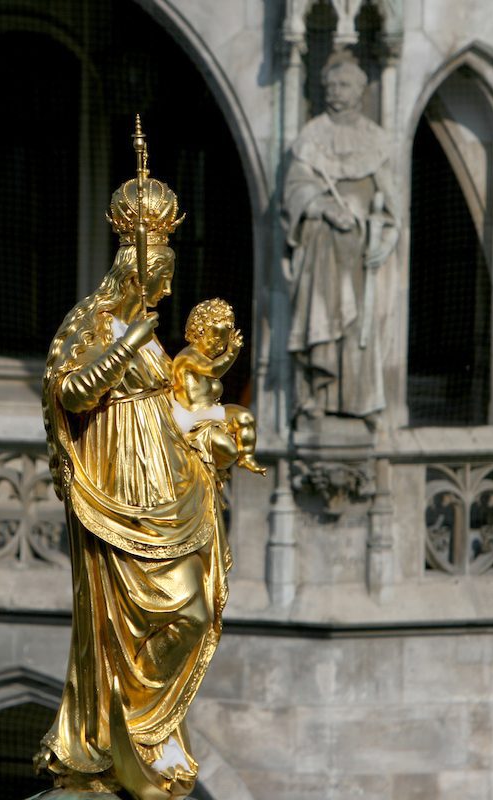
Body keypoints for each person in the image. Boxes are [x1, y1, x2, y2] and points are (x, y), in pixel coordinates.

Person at [37, 155, 234, 799]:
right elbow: (69, 391)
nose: (170, 291)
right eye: (164, 275)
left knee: (195, 609)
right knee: (133, 618)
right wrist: (127, 341)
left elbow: (169, 404)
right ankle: (114, 733)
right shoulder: (95, 322)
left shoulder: (149, 334)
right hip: (117, 488)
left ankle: (147, 727)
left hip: (162, 485)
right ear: (140, 270)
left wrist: (209, 435)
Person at [282, 50, 398, 428]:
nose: (336, 92)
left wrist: (382, 232)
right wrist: (322, 207)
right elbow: (295, 190)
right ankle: (315, 398)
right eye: (330, 85)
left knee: (359, 331)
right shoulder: (311, 137)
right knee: (323, 326)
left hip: (360, 252)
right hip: (321, 253)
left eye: (344, 85)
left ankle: (360, 403)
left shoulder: (375, 140)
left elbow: (392, 202)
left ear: (361, 90)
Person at [171, 298, 266, 476]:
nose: (219, 347)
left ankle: (246, 457)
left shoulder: (206, 357)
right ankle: (204, 472)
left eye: (222, 344)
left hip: (210, 412)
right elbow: (214, 371)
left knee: (245, 417)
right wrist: (231, 352)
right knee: (228, 450)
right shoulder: (188, 357)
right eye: (215, 341)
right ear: (199, 332)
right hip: (194, 419)